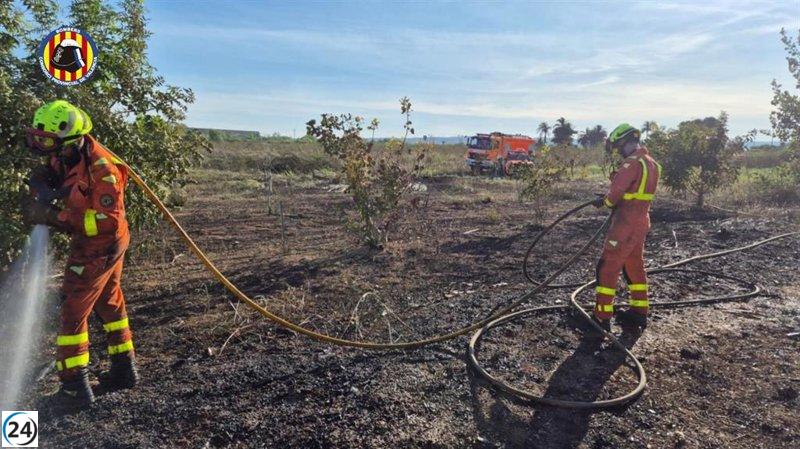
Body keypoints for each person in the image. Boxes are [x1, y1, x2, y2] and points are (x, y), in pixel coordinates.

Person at [22, 100, 138, 407]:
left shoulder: (102, 169)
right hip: (99, 243)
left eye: (48, 141)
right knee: (109, 303)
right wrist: (41, 183)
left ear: (70, 139)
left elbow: (105, 220)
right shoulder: (68, 155)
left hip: (100, 243)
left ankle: (74, 388)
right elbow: (60, 180)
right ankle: (124, 369)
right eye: (39, 139)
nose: (43, 146)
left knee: (73, 309)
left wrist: (54, 217)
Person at [590, 123, 661, 334]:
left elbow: (615, 196)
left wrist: (603, 202)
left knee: (607, 267)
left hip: (625, 223)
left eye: (618, 146)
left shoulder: (631, 164)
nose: (618, 151)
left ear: (625, 142)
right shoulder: (652, 164)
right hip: (641, 222)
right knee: (634, 267)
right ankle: (639, 312)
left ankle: (601, 317)